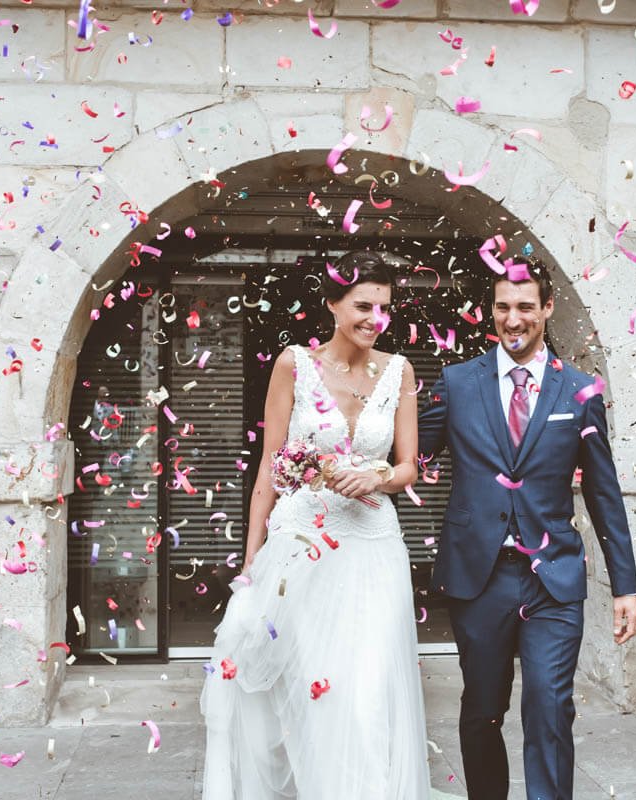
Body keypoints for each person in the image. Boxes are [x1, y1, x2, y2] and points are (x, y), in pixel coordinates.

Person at [200, 252, 435, 798]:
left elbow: (407, 466)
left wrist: (377, 479)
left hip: (374, 548)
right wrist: (251, 553)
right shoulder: (293, 366)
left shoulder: (399, 371)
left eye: (384, 307)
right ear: (332, 304)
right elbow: (270, 462)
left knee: (367, 693)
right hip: (301, 546)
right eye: (362, 306)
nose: (374, 318)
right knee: (312, 688)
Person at [418, 261, 636, 800]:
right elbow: (408, 453)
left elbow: (603, 493)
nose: (512, 319)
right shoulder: (457, 382)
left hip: (554, 578)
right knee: (481, 712)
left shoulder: (581, 391)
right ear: (491, 311)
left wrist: (626, 586)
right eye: (502, 307)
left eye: (524, 307)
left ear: (546, 308)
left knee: (549, 706)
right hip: (479, 576)